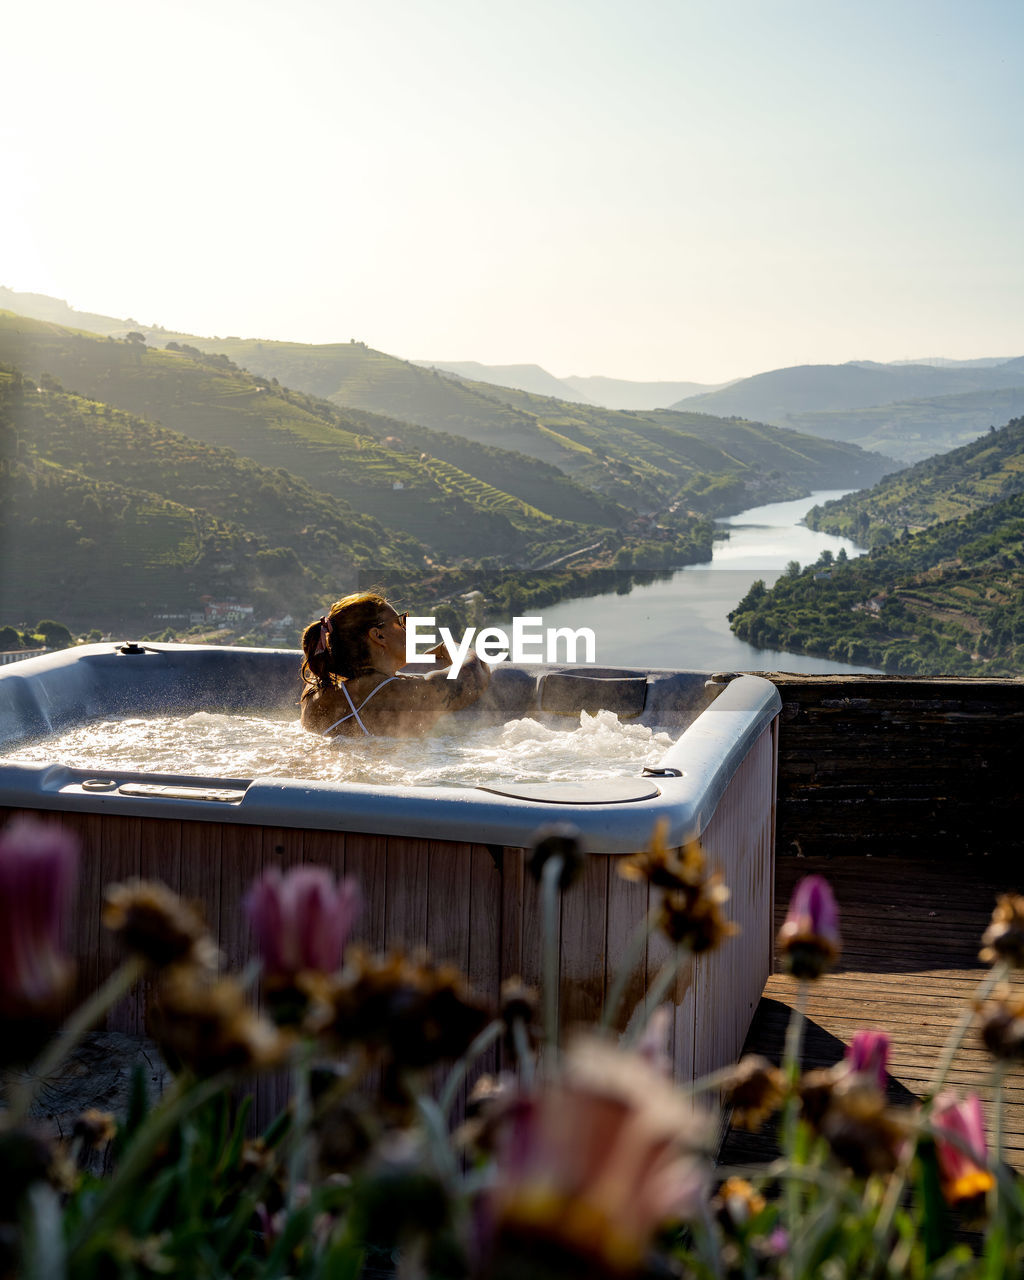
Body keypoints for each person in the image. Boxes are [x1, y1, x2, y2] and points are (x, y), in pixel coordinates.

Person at [299, 592, 490, 739]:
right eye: (401, 621)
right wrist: (451, 646)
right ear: (379, 635)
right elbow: (474, 673)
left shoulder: (315, 692)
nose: (407, 628)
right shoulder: (399, 694)